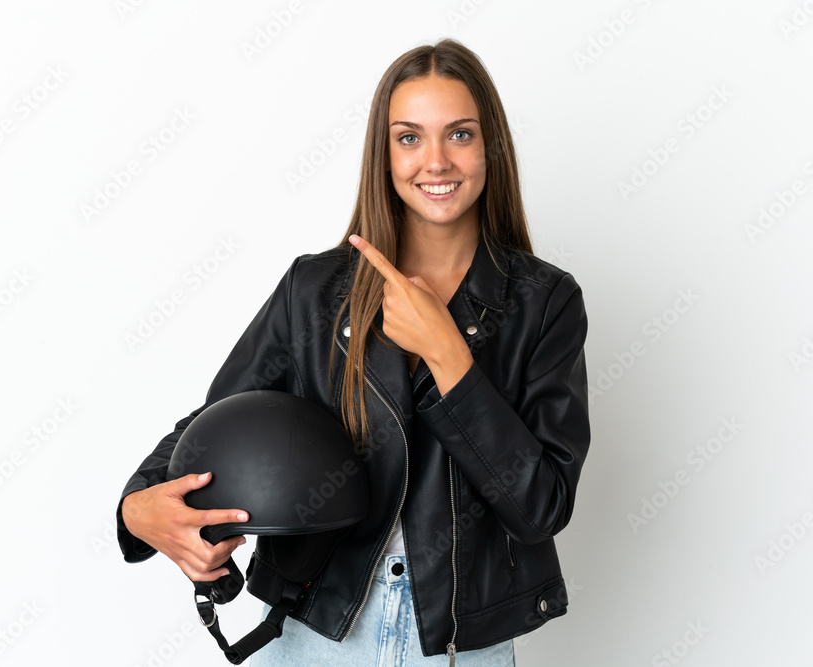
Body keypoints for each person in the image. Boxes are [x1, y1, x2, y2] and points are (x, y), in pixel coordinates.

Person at [117, 37, 590, 665]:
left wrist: (450, 359)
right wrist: (136, 507)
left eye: (460, 134)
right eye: (409, 138)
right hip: (316, 629)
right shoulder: (315, 289)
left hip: (457, 643)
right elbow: (218, 421)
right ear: (383, 154)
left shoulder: (545, 301)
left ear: (491, 147)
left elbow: (541, 507)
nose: (436, 161)